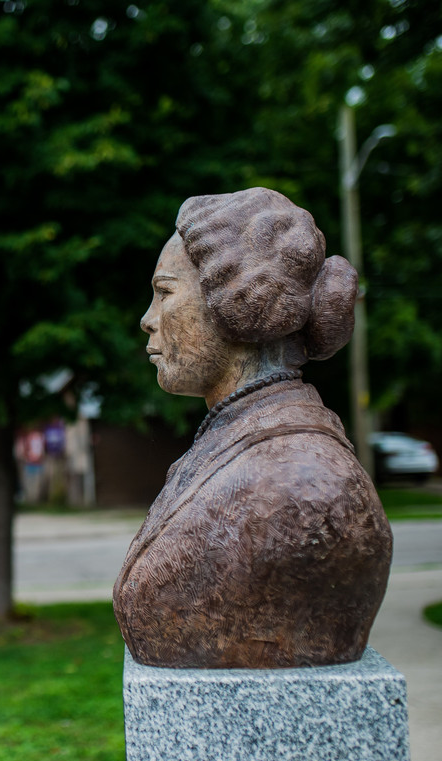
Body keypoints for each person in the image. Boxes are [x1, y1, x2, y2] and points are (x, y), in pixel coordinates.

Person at [112, 187, 392, 669]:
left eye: (164, 293)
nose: (147, 320)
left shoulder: (305, 485)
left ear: (236, 304)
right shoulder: (232, 444)